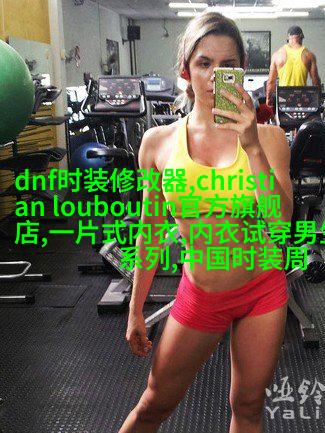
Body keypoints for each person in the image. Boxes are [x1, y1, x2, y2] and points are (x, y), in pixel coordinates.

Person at [119, 12, 294, 433]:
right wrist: (136, 308)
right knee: (154, 403)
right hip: (201, 293)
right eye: (204, 63)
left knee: (247, 407)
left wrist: (252, 146)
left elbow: (281, 225)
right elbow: (150, 233)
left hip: (261, 288)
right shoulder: (158, 144)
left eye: (228, 65)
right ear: (186, 70)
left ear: (242, 70)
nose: (216, 76)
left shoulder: (270, 139)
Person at [266, 25, 321, 107]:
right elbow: (315, 81)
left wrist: (268, 98)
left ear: (288, 37)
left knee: (283, 115)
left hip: (283, 98)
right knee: (302, 115)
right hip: (301, 98)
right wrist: (319, 98)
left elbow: (271, 81)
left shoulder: (277, 55)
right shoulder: (308, 55)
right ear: (301, 36)